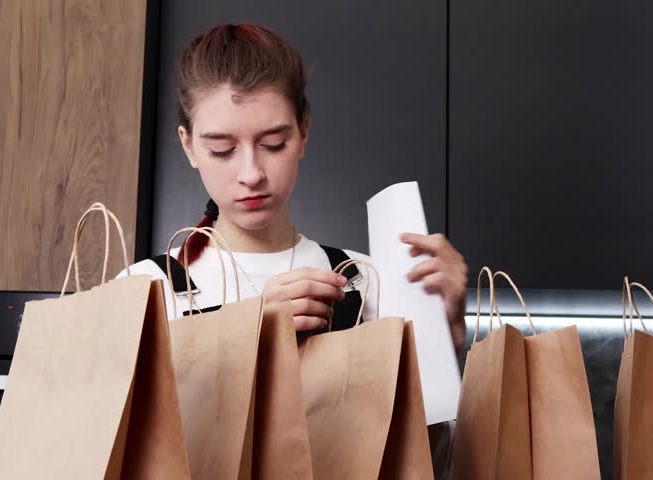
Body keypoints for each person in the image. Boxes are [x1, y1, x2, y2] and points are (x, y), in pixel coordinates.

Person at [123, 23, 470, 351]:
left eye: (273, 143)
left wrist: (446, 332)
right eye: (222, 150)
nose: (252, 173)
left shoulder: (363, 280)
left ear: (303, 132)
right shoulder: (146, 289)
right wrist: (245, 334)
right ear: (189, 147)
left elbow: (420, 415)